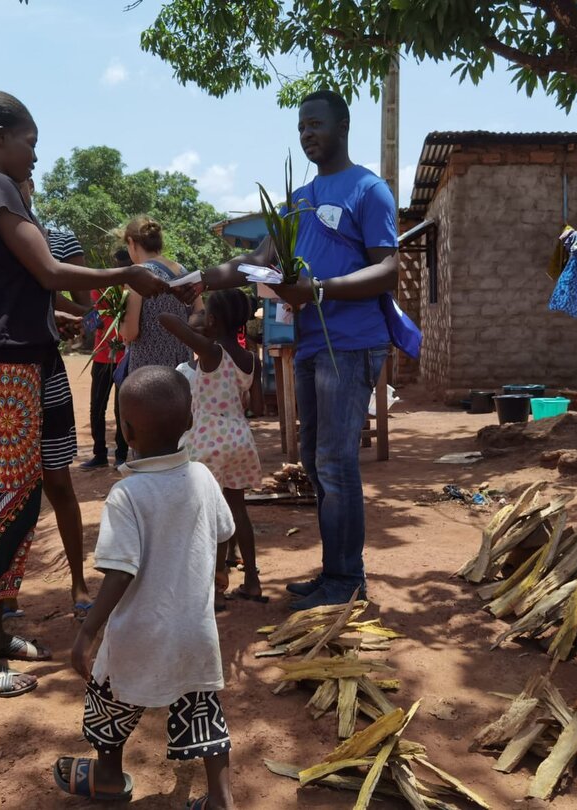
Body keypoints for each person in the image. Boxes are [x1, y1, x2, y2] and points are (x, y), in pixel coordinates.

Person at [0, 90, 172, 698]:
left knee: (12, 502)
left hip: (11, 366)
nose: (35, 157)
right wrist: (123, 273)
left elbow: (23, 284)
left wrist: (50, 319)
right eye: (30, 143)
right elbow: (49, 271)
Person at [196, 89, 398, 611]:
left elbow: (387, 268)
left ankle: (347, 580)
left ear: (343, 125)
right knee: (313, 459)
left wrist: (320, 290)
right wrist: (196, 278)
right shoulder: (298, 201)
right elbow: (256, 262)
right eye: (301, 128)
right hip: (310, 343)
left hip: (350, 344)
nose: (308, 134)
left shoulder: (368, 190)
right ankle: (334, 572)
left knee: (335, 463)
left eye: (316, 125)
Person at [53, 366, 237, 809]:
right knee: (203, 712)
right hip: (195, 631)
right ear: (190, 421)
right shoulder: (203, 478)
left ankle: (110, 778)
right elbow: (223, 533)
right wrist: (219, 574)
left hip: (138, 635)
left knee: (108, 702)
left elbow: (120, 571)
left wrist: (87, 632)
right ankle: (221, 799)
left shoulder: (128, 495)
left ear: (127, 432)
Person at [0, 178, 96, 622]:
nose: (23, 181)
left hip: (42, 374)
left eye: (27, 179)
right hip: (1, 382)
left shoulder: (57, 239)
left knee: (55, 482)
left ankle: (77, 580)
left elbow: (79, 304)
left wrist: (57, 313)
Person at [160, 289, 266, 606]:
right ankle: (252, 581)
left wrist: (198, 326)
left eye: (206, 313)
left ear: (214, 320)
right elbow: (258, 408)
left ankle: (216, 589)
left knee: (210, 515)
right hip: (240, 437)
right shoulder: (250, 360)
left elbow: (167, 320)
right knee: (237, 511)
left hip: (207, 440)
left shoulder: (210, 352)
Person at [117, 215, 201, 379]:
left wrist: (121, 325)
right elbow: (200, 316)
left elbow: (131, 332)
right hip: (182, 368)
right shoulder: (183, 271)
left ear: (131, 242)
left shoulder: (136, 276)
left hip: (148, 372)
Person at [79, 247, 130, 470]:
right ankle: (99, 453)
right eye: (121, 265)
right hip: (102, 355)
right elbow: (89, 314)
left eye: (127, 265)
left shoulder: (135, 287)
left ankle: (121, 453)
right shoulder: (102, 285)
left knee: (122, 408)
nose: (123, 269)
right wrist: (97, 322)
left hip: (125, 356)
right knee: (97, 407)